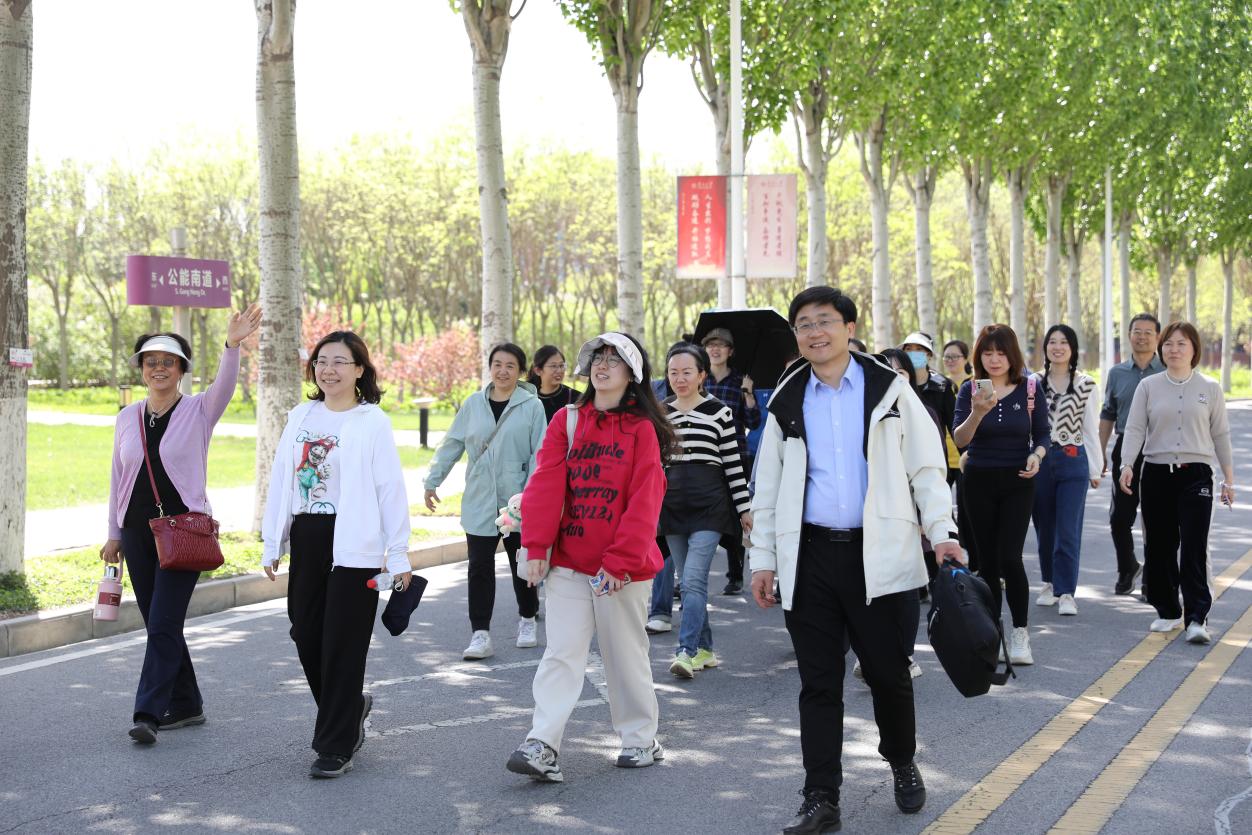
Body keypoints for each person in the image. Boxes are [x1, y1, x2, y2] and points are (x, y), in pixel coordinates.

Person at [750, 287, 959, 833]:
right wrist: (763, 559)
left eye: (824, 321)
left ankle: (902, 760)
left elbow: (926, 468)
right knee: (818, 684)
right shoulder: (786, 401)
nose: (814, 332)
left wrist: (942, 533)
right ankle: (820, 795)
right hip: (811, 557)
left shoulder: (891, 390)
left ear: (848, 327)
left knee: (889, 675)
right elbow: (767, 487)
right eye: (803, 324)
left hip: (881, 554)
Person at [506, 332, 674, 783]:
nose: (603, 365)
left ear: (632, 374)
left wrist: (619, 562)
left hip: (622, 570)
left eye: (614, 360)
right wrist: (536, 547)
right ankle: (542, 743)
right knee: (561, 654)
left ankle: (640, 739)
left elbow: (646, 499)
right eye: (598, 358)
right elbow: (544, 483)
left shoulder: (642, 429)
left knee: (624, 657)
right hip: (569, 564)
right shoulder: (567, 419)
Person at [101, 306, 262, 745]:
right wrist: (114, 533)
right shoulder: (126, 417)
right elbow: (117, 477)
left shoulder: (199, 410)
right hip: (136, 533)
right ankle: (188, 704)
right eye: (151, 361)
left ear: (182, 370)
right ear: (141, 368)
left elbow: (225, 384)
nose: (159, 368)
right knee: (161, 623)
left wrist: (232, 345)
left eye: (168, 362)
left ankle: (148, 713)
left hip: (184, 533)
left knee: (163, 621)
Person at [261, 331, 412, 779]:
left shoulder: (372, 421)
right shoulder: (301, 415)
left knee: (344, 643)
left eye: (340, 362)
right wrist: (273, 541)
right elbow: (282, 478)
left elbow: (389, 487)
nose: (328, 370)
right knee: (306, 633)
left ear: (359, 370)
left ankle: (335, 745)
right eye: (321, 361)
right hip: (308, 534)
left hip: (356, 541)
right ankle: (349, 708)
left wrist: (398, 552)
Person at [425, 343, 548, 660]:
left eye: (510, 366)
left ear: (520, 372)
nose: (503, 371)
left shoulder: (532, 406)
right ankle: (480, 633)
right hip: (479, 498)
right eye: (497, 364)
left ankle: (527, 618)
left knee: (522, 564)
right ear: (490, 367)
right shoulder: (472, 404)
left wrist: (531, 493)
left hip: (518, 501)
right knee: (479, 567)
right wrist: (432, 481)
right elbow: (452, 444)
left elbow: (540, 452)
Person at [1118, 321, 1234, 644]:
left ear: (1194, 349)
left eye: (1181, 344)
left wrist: (1229, 478)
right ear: (1161, 349)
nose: (1174, 349)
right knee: (1159, 546)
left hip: (1196, 474)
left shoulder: (1210, 388)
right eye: (1168, 344)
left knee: (1194, 547)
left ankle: (1197, 618)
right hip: (1157, 473)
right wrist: (1127, 464)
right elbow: (1135, 429)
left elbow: (1221, 434)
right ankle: (1168, 610)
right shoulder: (1149, 387)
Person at [953, 324, 1049, 666]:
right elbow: (960, 439)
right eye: (987, 353)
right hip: (978, 479)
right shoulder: (969, 389)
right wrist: (978, 411)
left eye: (1001, 352)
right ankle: (992, 633)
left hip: (1018, 480)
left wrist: (1037, 456)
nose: (994, 359)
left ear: (1012, 355)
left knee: (1010, 557)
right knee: (987, 563)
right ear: (978, 356)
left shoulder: (1030, 388)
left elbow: (1043, 434)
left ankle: (1020, 633)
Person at [659, 344, 752, 678]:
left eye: (687, 372)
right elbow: (653, 465)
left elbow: (733, 465)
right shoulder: (660, 413)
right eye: (673, 372)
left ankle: (685, 651)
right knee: (689, 581)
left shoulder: (719, 412)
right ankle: (706, 649)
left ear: (701, 375)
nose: (679, 379)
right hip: (672, 506)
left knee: (693, 580)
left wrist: (744, 509)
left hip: (710, 505)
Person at [1031, 325, 1102, 616]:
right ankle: (1049, 583)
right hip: (1040, 459)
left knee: (1068, 529)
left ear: (1072, 348)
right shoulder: (1033, 383)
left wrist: (1095, 469)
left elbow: (1091, 429)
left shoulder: (1086, 384)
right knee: (1044, 526)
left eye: (1064, 342)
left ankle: (1067, 592)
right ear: (1045, 348)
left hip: (1073, 458)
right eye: (1052, 342)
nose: (1057, 347)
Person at [1099, 313, 1165, 595]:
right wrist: (1100, 451)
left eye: (1148, 332)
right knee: (1119, 519)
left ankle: (1153, 576)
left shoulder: (1167, 370)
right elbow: (1108, 413)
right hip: (1126, 449)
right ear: (1129, 336)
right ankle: (1127, 567)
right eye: (1137, 331)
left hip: (1159, 450)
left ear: (1157, 337)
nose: (1142, 337)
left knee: (1155, 518)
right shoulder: (1117, 373)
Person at [700, 327, 761, 595]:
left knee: (737, 514)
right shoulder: (698, 380)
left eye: (721, 345)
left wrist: (748, 394)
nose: (715, 349)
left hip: (736, 455)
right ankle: (693, 574)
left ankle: (735, 575)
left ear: (730, 351)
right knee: (703, 512)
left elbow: (753, 422)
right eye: (710, 345)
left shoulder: (740, 381)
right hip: (705, 455)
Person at [941, 339, 977, 571]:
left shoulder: (973, 384)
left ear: (966, 359)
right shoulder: (940, 384)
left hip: (966, 457)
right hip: (942, 457)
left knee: (968, 512)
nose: (951, 361)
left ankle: (975, 561)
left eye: (955, 356)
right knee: (941, 509)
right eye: (947, 357)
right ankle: (954, 553)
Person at [528, 345, 578, 423]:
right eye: (553, 366)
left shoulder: (576, 398)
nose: (559, 371)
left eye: (561, 365)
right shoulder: (529, 400)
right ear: (538, 370)